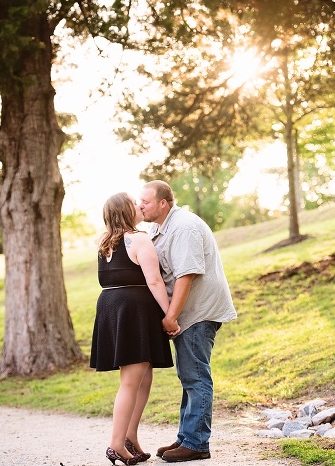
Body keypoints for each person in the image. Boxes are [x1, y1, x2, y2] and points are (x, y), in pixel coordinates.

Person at [139, 180, 237, 463]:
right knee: (188, 375)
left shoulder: (183, 227)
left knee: (195, 376)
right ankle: (187, 437)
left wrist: (170, 316)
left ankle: (197, 443)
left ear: (163, 203)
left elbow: (186, 275)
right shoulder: (160, 227)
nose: (140, 206)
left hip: (198, 312)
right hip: (189, 312)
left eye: (145, 201)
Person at [90, 192, 174, 466]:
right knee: (130, 381)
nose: (139, 205)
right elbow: (155, 281)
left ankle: (130, 437)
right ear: (126, 211)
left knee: (144, 378)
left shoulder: (105, 242)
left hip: (112, 308)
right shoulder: (139, 239)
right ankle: (116, 444)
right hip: (132, 312)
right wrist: (170, 314)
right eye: (134, 203)